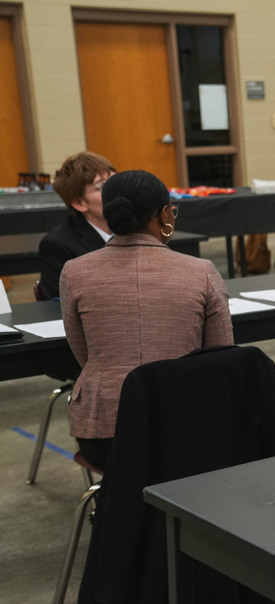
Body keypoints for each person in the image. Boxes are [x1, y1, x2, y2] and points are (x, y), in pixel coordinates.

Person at [60, 170, 233, 471]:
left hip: (104, 433)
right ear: (165, 215)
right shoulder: (201, 271)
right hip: (185, 428)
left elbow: (83, 353)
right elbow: (222, 356)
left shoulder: (75, 272)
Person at [38, 152, 117, 299]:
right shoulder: (57, 245)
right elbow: (61, 302)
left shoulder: (138, 228)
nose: (116, 191)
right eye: (102, 186)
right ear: (79, 203)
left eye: (116, 181)